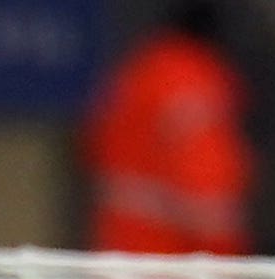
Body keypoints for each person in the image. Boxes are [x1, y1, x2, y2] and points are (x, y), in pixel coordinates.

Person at [79, 1, 249, 256]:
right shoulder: (193, 79)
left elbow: (95, 145)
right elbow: (205, 187)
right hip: (176, 263)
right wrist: (224, 247)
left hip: (120, 248)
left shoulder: (137, 73)